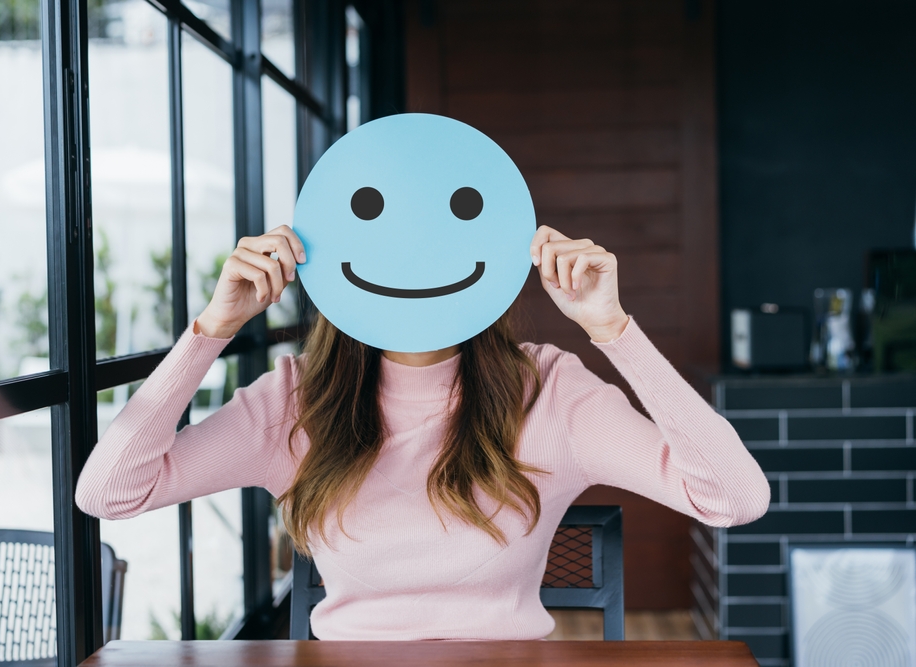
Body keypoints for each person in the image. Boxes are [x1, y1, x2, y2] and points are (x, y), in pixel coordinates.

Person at [76, 225, 770, 640]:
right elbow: (109, 492)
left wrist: (613, 329)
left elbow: (734, 497)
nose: (413, 267)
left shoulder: (549, 389)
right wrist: (212, 329)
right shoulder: (295, 399)